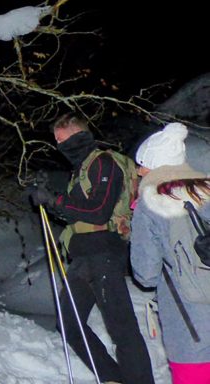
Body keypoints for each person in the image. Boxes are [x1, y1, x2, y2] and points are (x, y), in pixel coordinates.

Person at [26, 113, 154, 384]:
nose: (59, 146)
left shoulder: (104, 164)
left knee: (122, 328)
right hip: (83, 257)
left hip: (104, 252)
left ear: (77, 136)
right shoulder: (82, 169)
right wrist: (48, 198)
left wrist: (55, 200)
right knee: (69, 324)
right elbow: (76, 212)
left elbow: (97, 211)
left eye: (61, 140)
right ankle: (112, 378)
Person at [130, 122, 210, 384]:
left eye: (143, 164)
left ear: (155, 166)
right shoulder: (207, 190)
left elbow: (146, 274)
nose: (139, 171)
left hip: (189, 319)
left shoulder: (151, 204)